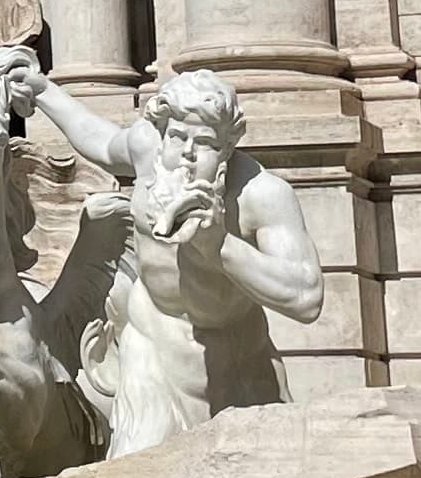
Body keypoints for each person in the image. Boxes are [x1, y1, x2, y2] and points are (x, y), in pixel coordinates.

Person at [22, 66, 325, 455]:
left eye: (205, 142)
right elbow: (102, 142)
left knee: (254, 474)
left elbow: (306, 297)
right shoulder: (148, 149)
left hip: (233, 362)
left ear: (228, 149)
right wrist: (43, 90)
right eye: (178, 136)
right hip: (150, 346)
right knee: (137, 468)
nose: (187, 153)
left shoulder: (260, 194)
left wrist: (219, 245)